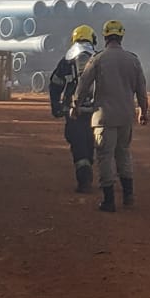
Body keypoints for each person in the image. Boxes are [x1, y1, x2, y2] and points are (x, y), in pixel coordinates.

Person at [74, 19, 148, 212]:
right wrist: (143, 111)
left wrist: (76, 105)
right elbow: (141, 89)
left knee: (105, 156)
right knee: (123, 153)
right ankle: (128, 196)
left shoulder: (98, 59)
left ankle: (108, 201)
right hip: (126, 117)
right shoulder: (133, 59)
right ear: (121, 36)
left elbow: (83, 85)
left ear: (105, 37)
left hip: (104, 117)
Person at [49, 24, 99, 193]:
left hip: (72, 111)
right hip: (96, 111)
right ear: (93, 39)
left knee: (78, 145)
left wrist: (56, 106)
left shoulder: (66, 61)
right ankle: (98, 175)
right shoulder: (99, 58)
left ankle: (84, 180)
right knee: (92, 142)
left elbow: (55, 85)